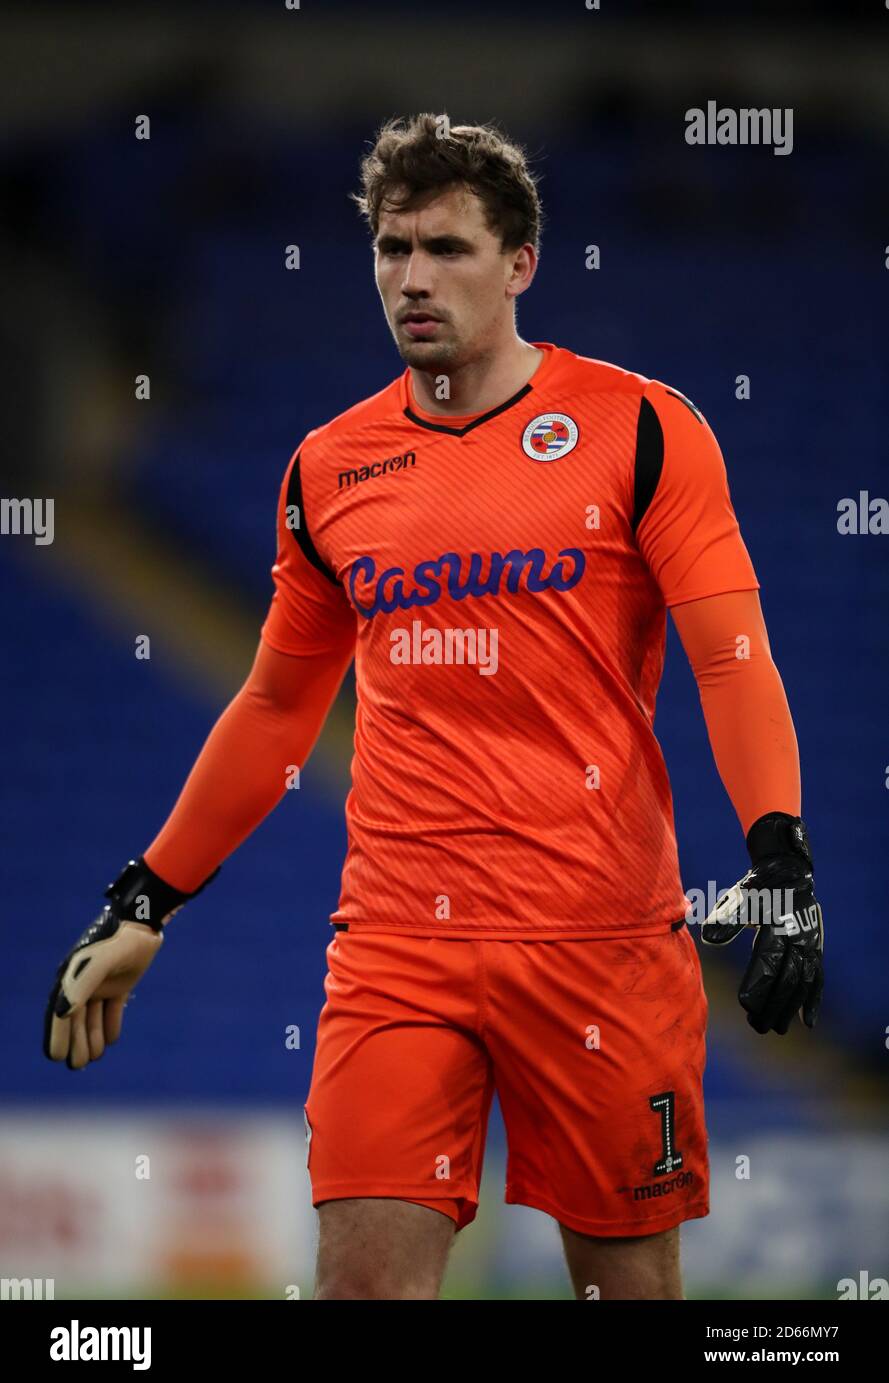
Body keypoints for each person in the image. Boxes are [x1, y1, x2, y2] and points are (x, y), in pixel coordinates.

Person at [44, 114, 823, 1300]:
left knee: (629, 1293)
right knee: (364, 1288)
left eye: (447, 248)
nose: (413, 277)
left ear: (520, 264)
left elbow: (731, 656)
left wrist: (779, 854)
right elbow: (273, 706)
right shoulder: (328, 468)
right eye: (391, 249)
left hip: (601, 946)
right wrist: (146, 895)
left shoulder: (642, 429)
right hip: (400, 948)